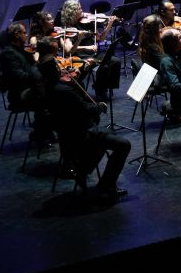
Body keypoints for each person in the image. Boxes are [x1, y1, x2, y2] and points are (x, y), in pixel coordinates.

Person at [42, 61, 131, 204]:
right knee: (124, 144)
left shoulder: (51, 88)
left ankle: (103, 182)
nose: (63, 71)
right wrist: (100, 106)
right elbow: (86, 109)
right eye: (59, 69)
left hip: (68, 136)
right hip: (81, 137)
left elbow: (77, 106)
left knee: (110, 137)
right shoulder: (64, 90)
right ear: (54, 72)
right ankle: (103, 184)